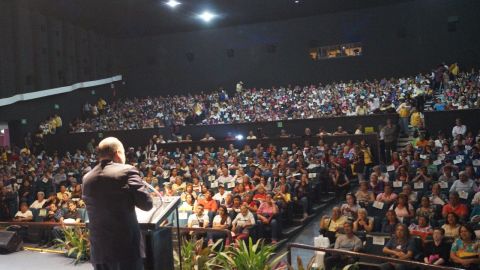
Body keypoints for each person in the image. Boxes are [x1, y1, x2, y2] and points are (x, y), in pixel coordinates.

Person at [82, 137, 153, 270]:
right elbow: (146, 204)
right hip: (125, 249)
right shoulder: (127, 170)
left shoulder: (87, 178)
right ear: (118, 153)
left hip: (99, 250)